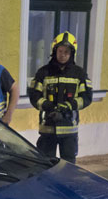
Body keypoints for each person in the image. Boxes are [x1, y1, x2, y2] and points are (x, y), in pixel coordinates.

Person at [28, 32, 93, 163]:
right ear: (54, 51)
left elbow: (86, 97)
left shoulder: (79, 74)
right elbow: (34, 96)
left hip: (69, 129)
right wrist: (48, 106)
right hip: (48, 127)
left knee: (68, 165)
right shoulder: (43, 72)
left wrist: (70, 106)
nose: (63, 55)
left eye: (66, 52)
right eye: (60, 51)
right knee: (45, 164)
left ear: (72, 53)